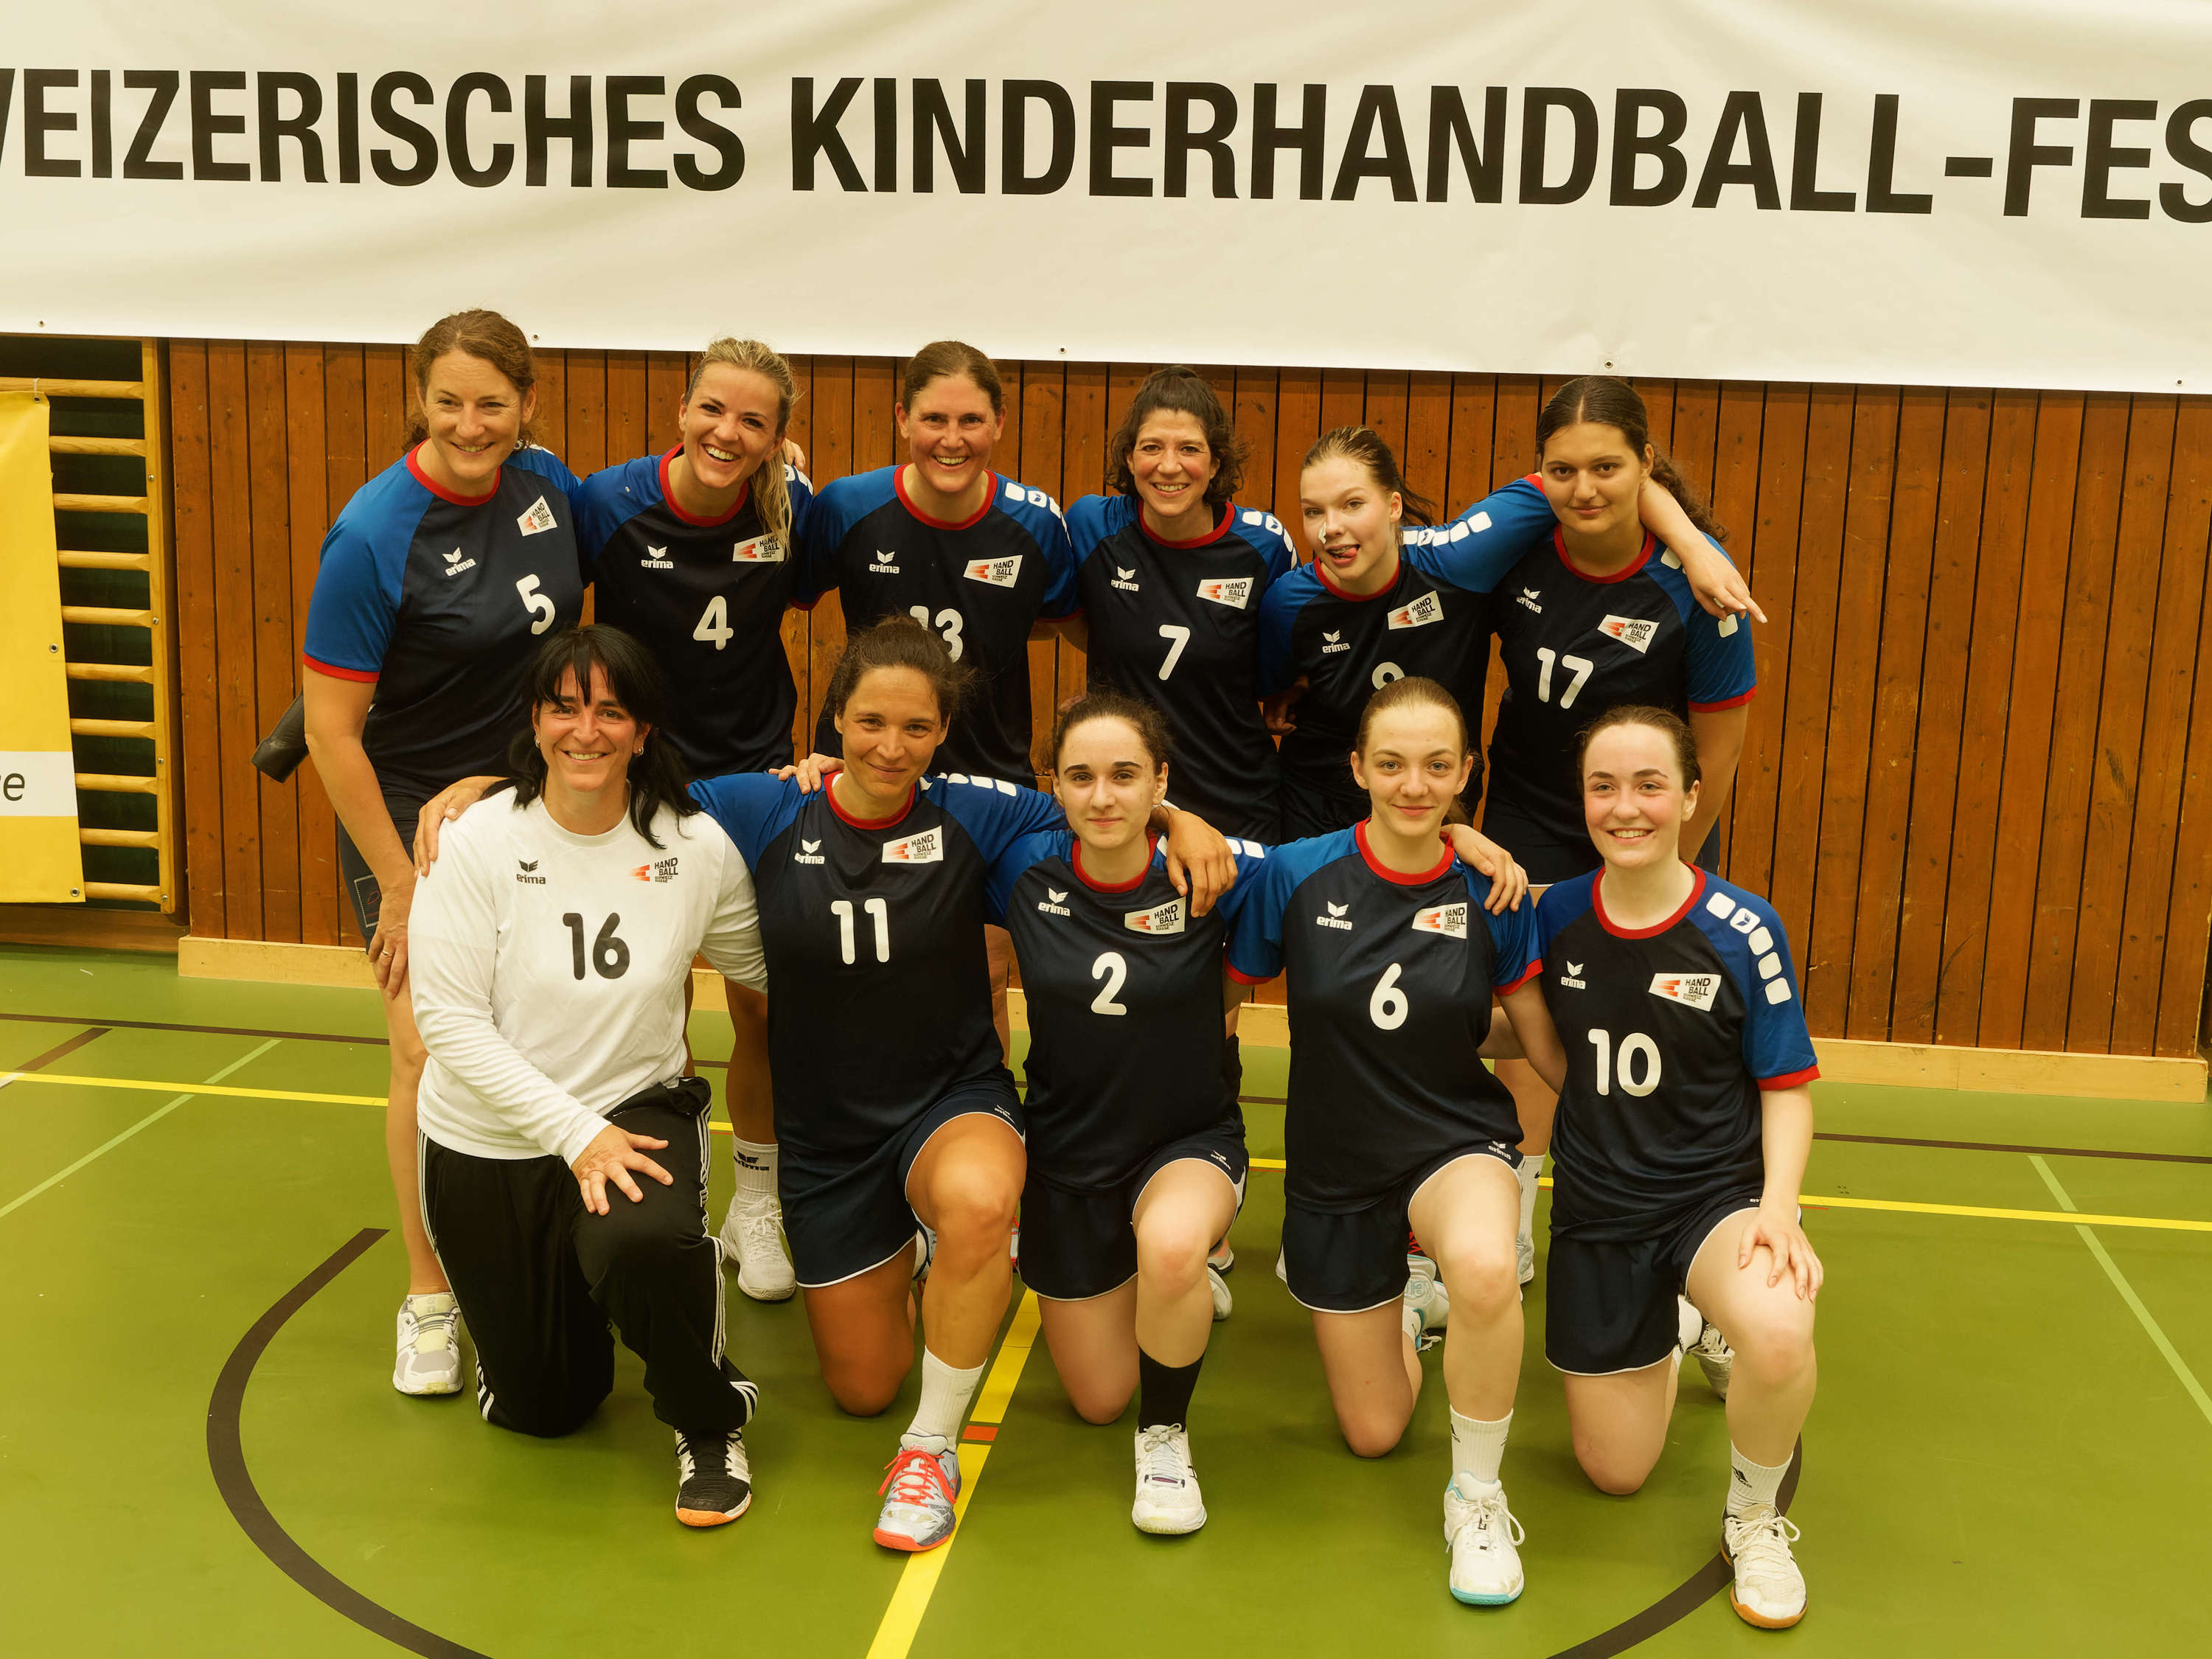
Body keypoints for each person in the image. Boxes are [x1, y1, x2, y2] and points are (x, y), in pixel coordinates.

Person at [686, 617, 1236, 1554]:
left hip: (950, 1098)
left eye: (916, 727)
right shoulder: (766, 807)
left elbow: (1101, 807)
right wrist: (488, 789)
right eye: (870, 722)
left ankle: (930, 1449)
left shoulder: (977, 814)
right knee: (865, 1388)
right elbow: (629, 792)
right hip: (827, 1133)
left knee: (981, 1203)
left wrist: (1179, 817)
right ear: (835, 719)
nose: (890, 746)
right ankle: (921, 1268)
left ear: (943, 731)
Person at [405, 625, 767, 1528]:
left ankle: (708, 1419)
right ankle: (558, 1317)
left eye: (611, 711)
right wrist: (575, 1135)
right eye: (564, 708)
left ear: (643, 730)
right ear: (535, 722)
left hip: (633, 1110)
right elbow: (448, 1023)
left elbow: (764, 968)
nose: (586, 730)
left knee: (642, 1244)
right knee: (544, 1409)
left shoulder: (695, 846)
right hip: (489, 1142)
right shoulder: (474, 842)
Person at [1225, 677, 1567, 1609]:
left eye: (1436, 766)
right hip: (1336, 1164)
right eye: (1392, 764)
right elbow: (1220, 996)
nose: (1414, 785)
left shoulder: (1494, 890)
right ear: (1357, 769)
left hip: (1454, 1140)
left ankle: (1477, 1498)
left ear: (1464, 774)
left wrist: (1626, 1132)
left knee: (1486, 1269)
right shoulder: (1295, 875)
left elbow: (1539, 1041)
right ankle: (1407, 1316)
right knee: (1374, 1431)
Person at [301, 308, 584, 1397]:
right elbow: (332, 734)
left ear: (527, 405)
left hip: (525, 793)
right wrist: (398, 883)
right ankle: (428, 1295)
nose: (471, 424)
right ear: (418, 399)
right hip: (408, 813)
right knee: (424, 1050)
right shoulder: (375, 533)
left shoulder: (545, 484)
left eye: (493, 403)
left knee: (540, 1030)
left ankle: (539, 1256)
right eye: (449, 401)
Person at [1531, 705, 1820, 1630]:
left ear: (1692, 796)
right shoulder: (1555, 916)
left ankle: (1754, 1518)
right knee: (1615, 1472)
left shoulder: (1743, 927)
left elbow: (1786, 1087)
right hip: (1599, 1212)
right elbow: (1534, 1036)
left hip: (1713, 1201)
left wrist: (1779, 1209)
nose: (1627, 807)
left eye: (1650, 785)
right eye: (1604, 786)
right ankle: (1685, 1321)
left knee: (1780, 1326)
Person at [1474, 375, 1759, 1297]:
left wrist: (1663, 866)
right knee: (1526, 1003)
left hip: (1647, 828)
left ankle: (1698, 1228)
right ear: (1539, 473)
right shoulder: (1520, 547)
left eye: (1607, 467)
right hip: (1528, 811)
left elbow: (1717, 752)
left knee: (1657, 1017)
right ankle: (1511, 1214)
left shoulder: (1698, 588)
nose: (1585, 488)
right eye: (1563, 470)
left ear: (1646, 465)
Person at [797, 341, 1083, 1056]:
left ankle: (987, 1110)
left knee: (984, 978)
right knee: (855, 970)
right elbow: (784, 590)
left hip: (988, 780)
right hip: (866, 770)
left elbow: (1057, 621)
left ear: (1000, 423)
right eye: (933, 419)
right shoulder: (847, 506)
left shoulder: (1035, 523)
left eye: (970, 420)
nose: (951, 440)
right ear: (902, 419)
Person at [1259, 428, 1735, 841]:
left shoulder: (1458, 562)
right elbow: (1274, 693)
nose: (1332, 529)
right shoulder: (1288, 603)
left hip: (1438, 812)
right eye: (1313, 512)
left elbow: (1587, 481)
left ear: (1393, 506)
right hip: (1319, 809)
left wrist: (1694, 546)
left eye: (1352, 504)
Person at [1061, 368, 1297, 843]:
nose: (1169, 467)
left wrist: (1286, 692)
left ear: (1216, 463)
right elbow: (1073, 621)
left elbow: (1286, 659)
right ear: (1129, 458)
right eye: (1151, 447)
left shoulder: (1264, 546)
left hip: (1235, 800)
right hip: (1127, 804)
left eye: (1189, 448)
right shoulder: (1090, 527)